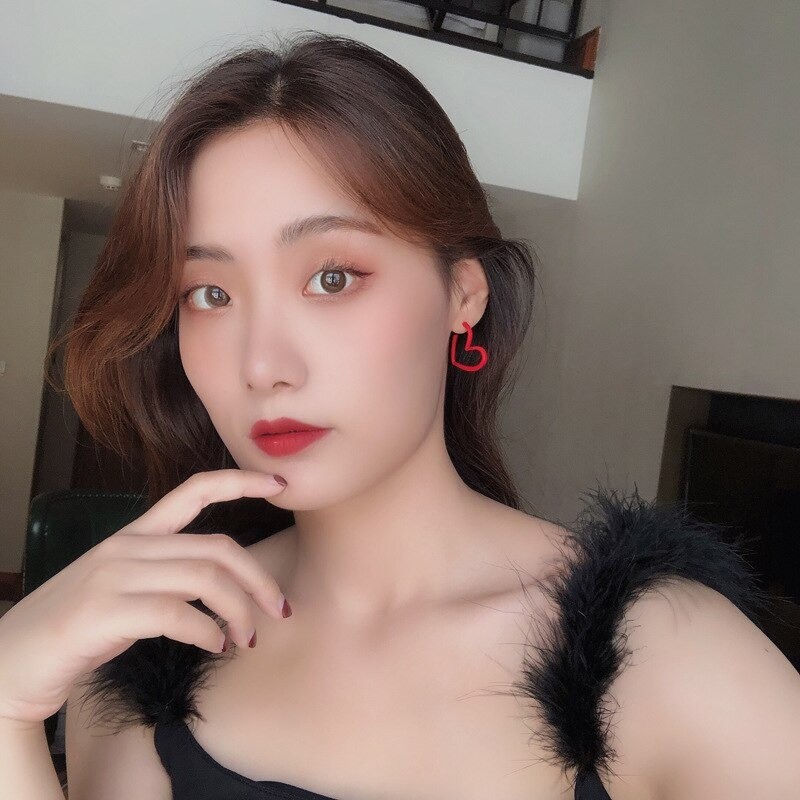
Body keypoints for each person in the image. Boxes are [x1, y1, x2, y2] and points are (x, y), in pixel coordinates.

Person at [1, 31, 799, 800]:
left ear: (463, 295)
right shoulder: (150, 655)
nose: (263, 366)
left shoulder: (664, 658)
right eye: (210, 293)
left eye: (332, 278)